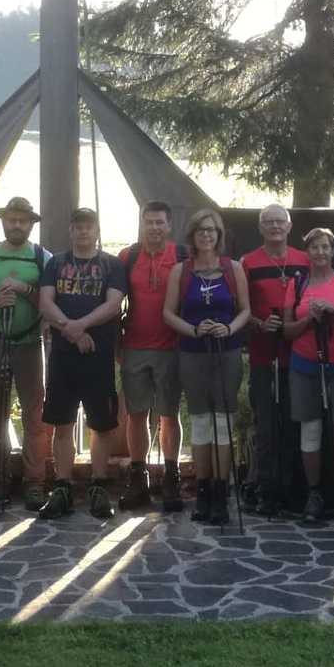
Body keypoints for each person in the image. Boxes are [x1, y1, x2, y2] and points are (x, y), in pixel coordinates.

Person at [36, 208, 127, 519]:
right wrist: (72, 331)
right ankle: (62, 487)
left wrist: (80, 326)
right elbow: (45, 302)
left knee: (101, 424)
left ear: (97, 230)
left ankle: (98, 487)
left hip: (99, 356)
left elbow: (113, 305)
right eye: (78, 226)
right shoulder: (55, 263)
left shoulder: (112, 265)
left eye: (89, 226)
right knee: (62, 423)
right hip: (63, 356)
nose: (84, 231)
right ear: (71, 230)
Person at [164, 208, 251, 524]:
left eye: (211, 230)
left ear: (219, 234)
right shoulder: (182, 271)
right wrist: (193, 329)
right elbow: (168, 313)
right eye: (201, 230)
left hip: (227, 351)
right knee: (201, 421)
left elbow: (245, 310)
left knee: (223, 422)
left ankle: (220, 491)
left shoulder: (233, 268)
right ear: (192, 235)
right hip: (193, 352)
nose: (206, 235)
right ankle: (202, 490)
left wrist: (229, 328)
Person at [0, 197, 52, 511]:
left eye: (22, 220)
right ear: (4, 221)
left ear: (31, 224)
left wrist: (24, 289)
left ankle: (35, 484)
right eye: (11, 219)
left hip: (30, 343)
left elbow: (50, 302)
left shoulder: (42, 258)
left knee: (35, 415)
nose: (16, 225)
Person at [282, 228, 334, 523]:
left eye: (325, 247)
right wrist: (309, 319)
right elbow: (287, 331)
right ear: (307, 252)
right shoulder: (297, 284)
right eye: (314, 247)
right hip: (304, 364)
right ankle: (313, 494)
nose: (320, 252)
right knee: (310, 429)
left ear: (333, 250)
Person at [116, 201, 187, 513]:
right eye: (149, 222)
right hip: (134, 345)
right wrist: (115, 344)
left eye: (160, 222)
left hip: (172, 347)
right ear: (142, 224)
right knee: (136, 414)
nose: (154, 227)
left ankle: (172, 477)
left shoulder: (182, 256)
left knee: (169, 414)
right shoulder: (128, 256)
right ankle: (138, 478)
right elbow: (114, 301)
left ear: (169, 225)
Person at [241, 203, 309, 517]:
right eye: (268, 221)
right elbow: (239, 307)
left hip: (299, 357)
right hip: (263, 355)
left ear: (289, 225)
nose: (275, 226)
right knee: (266, 426)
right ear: (260, 227)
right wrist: (258, 323)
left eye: (280, 221)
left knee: (294, 424)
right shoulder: (248, 262)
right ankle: (265, 489)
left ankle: (293, 489)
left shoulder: (305, 260)